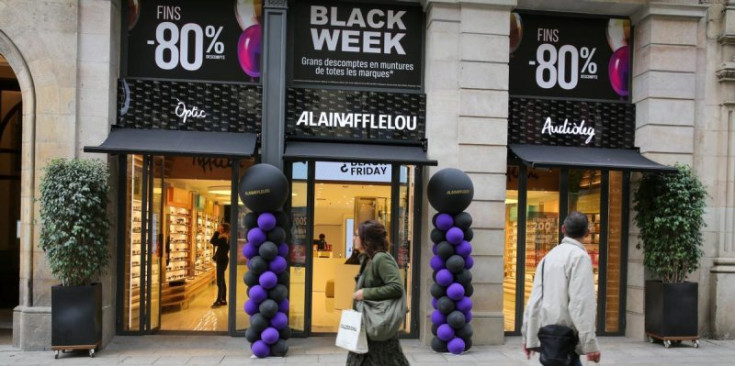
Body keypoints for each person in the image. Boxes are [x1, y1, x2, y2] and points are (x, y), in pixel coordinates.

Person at [522, 211, 601, 365]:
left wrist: (528, 338)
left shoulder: (548, 257)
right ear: (587, 232)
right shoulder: (580, 258)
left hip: (548, 338)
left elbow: (534, 300)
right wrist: (590, 344)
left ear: (563, 229)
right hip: (567, 338)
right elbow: (581, 304)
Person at [346, 220, 409, 366]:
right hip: (368, 327)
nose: (354, 239)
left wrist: (365, 293)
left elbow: (396, 287)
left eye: (357, 235)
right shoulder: (369, 259)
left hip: (377, 327)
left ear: (367, 240)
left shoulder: (381, 259)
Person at [210, 222, 230, 308]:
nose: (218, 227)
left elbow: (212, 241)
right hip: (223, 260)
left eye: (220, 226)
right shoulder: (226, 237)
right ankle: (223, 299)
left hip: (221, 260)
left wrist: (217, 232)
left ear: (223, 228)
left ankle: (218, 301)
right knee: (222, 280)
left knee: (219, 281)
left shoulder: (223, 238)